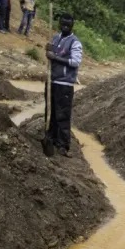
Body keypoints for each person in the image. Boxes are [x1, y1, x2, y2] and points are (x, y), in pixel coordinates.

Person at [45, 14, 83, 157]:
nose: (65, 27)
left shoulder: (75, 42)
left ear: (72, 26)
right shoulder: (55, 38)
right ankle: (51, 138)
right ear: (60, 24)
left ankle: (63, 145)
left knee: (62, 115)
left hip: (64, 83)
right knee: (51, 112)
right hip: (52, 80)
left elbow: (75, 62)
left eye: (68, 25)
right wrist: (49, 51)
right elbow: (51, 55)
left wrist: (56, 57)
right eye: (63, 24)